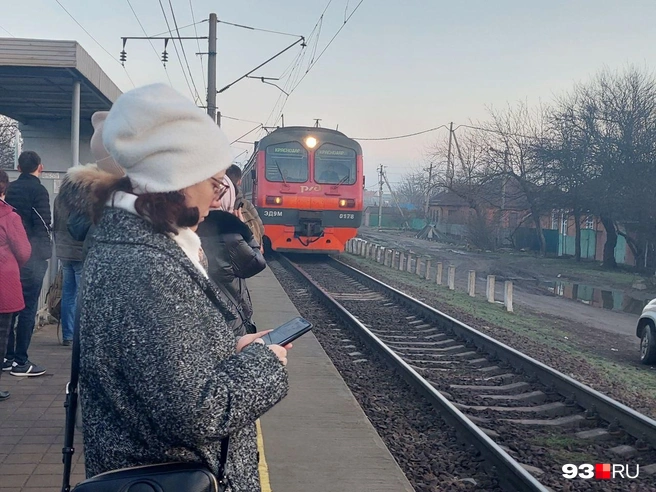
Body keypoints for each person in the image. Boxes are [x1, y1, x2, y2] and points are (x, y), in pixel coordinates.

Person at [78, 83, 289, 489]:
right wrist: (266, 363)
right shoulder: (145, 269)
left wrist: (231, 349)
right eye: (213, 180)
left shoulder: (140, 247)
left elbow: (161, 366)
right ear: (178, 178)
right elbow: (196, 414)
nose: (218, 193)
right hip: (172, 478)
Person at [197, 176, 266, 336]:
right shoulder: (230, 235)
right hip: (231, 319)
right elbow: (257, 262)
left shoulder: (195, 230)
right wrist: (246, 233)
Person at [3, 150, 50, 377]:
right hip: (32, 258)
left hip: (11, 260)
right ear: (39, 167)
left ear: (19, 168)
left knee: (10, 310)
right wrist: (44, 254)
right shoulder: (39, 190)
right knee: (28, 308)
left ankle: (7, 356)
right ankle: (21, 361)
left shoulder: (10, 189)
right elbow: (43, 224)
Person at [0, 170, 32, 399]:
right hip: (4, 284)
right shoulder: (9, 217)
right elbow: (23, 251)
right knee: (2, 335)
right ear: (4, 188)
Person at [225, 164, 265, 251]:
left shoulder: (214, 205)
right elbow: (260, 229)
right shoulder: (247, 206)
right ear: (240, 182)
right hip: (247, 253)